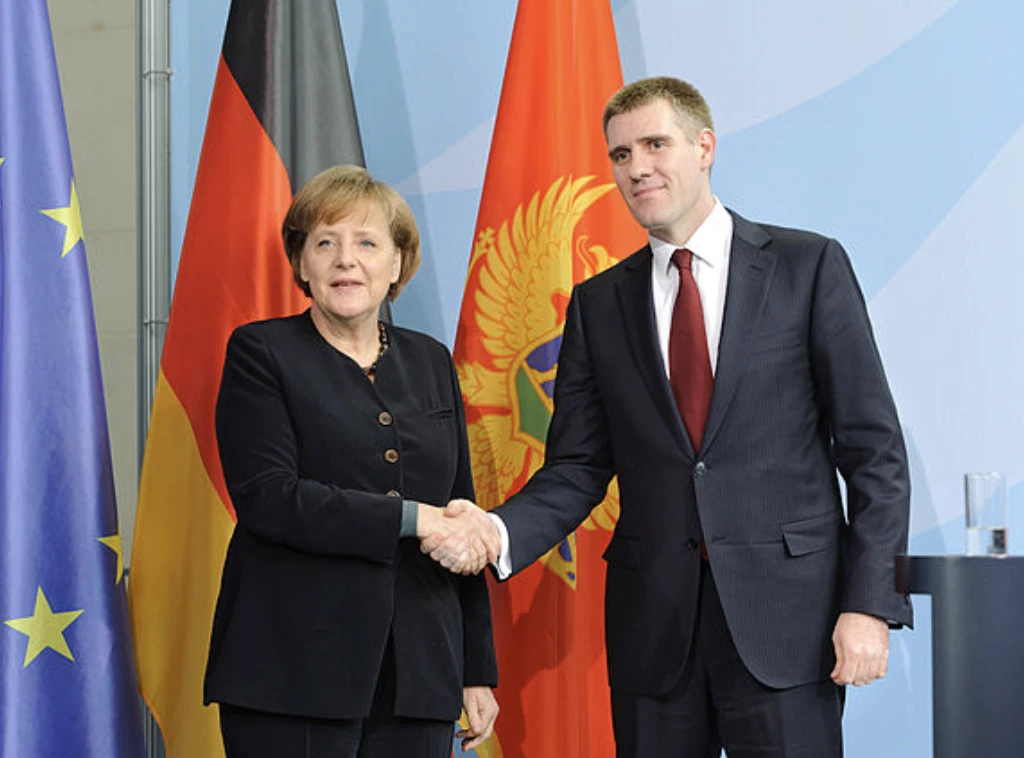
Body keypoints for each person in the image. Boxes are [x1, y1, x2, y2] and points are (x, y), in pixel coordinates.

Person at [425, 77, 912, 757]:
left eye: (655, 144)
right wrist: (496, 531)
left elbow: (873, 452)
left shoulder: (807, 266)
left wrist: (868, 605)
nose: (637, 167)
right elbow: (578, 466)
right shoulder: (599, 303)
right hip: (654, 632)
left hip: (787, 624)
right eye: (620, 155)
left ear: (704, 146)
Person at [203, 165, 499, 758]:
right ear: (302, 265)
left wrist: (473, 666)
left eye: (367, 243)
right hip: (292, 670)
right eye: (326, 243)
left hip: (419, 674)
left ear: (396, 265)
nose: (346, 260)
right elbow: (270, 499)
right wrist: (414, 518)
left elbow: (460, 512)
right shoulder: (261, 352)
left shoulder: (431, 360)